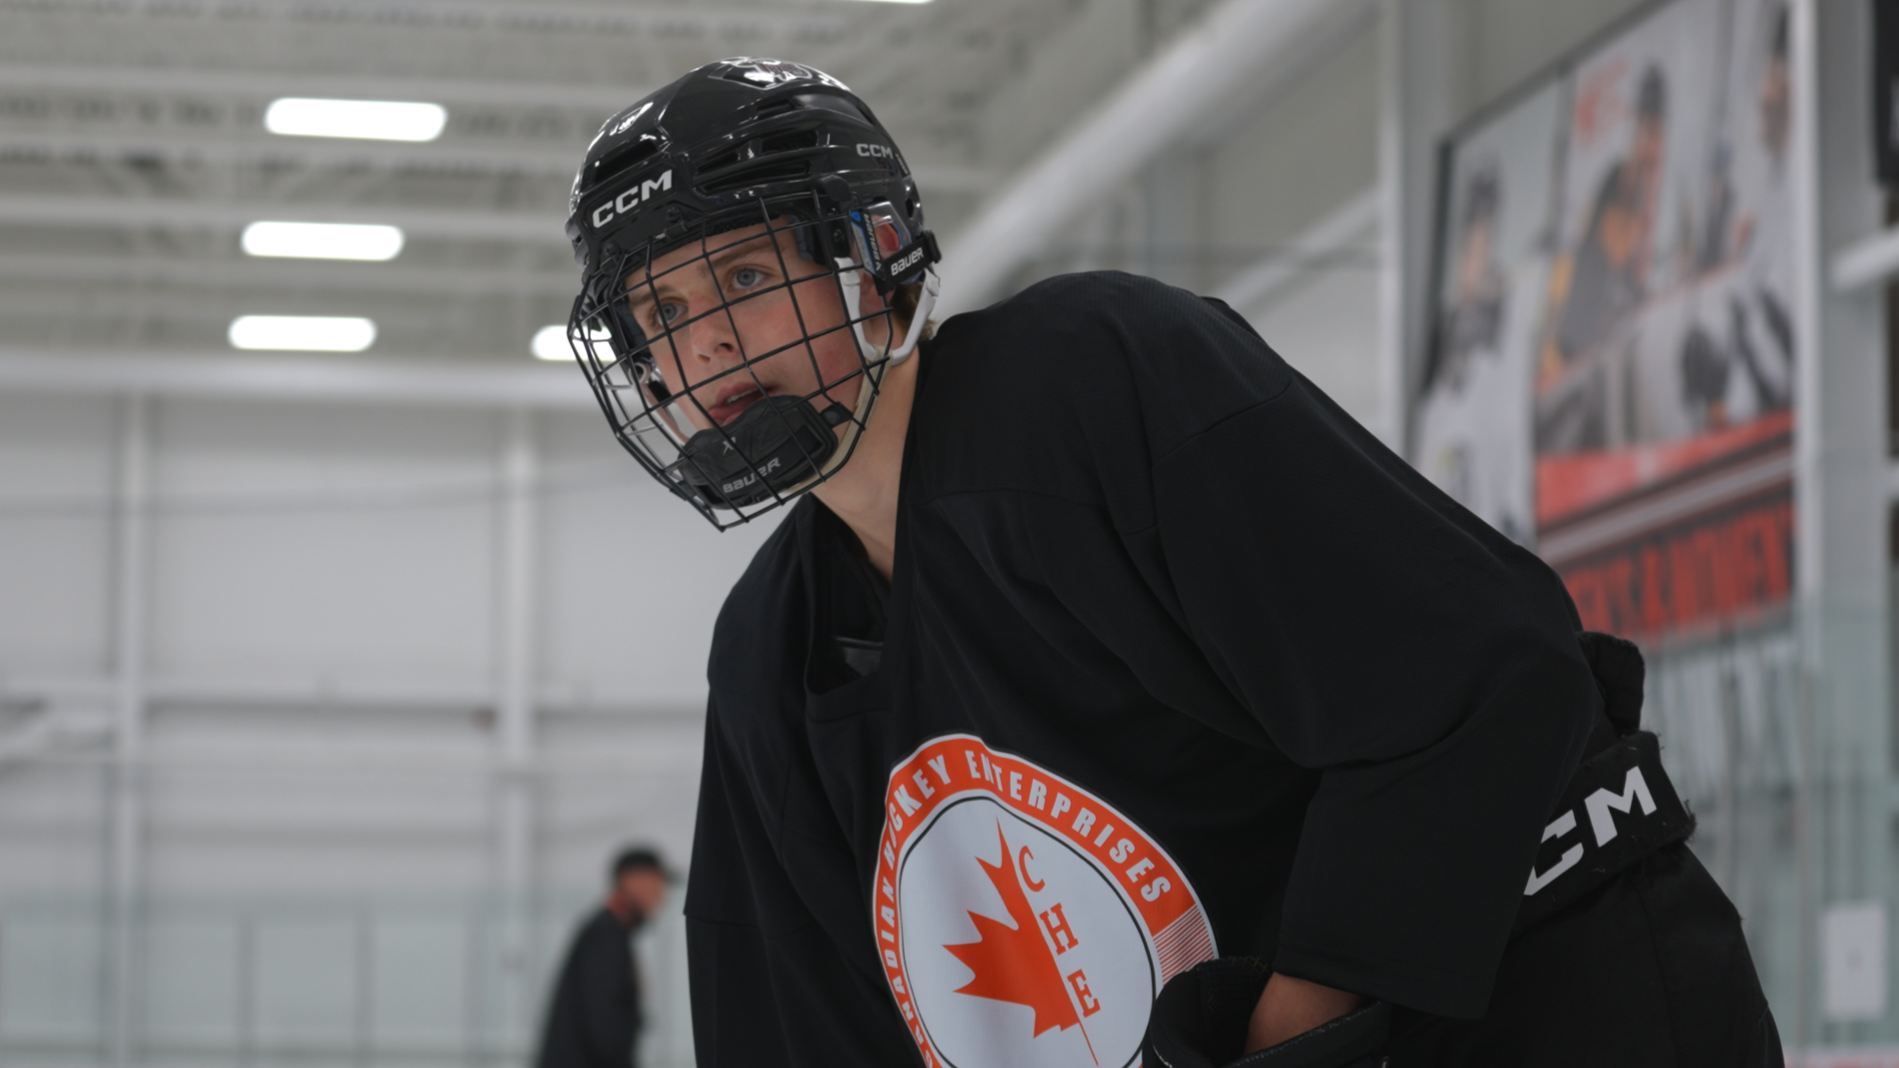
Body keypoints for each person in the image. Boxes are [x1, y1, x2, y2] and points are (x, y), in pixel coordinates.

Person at [560, 58, 1779, 1067]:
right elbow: (791, 1012)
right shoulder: (769, 655)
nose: (707, 339)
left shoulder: (1090, 382)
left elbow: (1479, 678)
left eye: (746, 276)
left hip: (1565, 1007)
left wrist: (1287, 1027)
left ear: (872, 258)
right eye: (660, 315)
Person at [535, 847, 670, 1068]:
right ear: (633, 881)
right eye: (658, 883)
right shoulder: (607, 933)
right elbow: (604, 1026)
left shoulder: (609, 931)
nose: (662, 896)